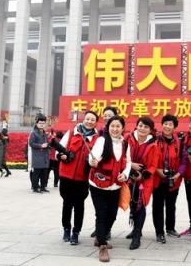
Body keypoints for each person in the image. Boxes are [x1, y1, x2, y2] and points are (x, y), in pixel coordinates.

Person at [88, 115, 131, 262]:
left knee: (112, 215)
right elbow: (92, 157)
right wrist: (92, 162)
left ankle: (100, 238)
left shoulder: (125, 144)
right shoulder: (101, 140)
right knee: (101, 214)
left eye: (118, 126)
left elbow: (128, 163)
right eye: (112, 126)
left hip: (114, 186)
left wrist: (125, 175)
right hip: (98, 185)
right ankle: (102, 246)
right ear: (108, 127)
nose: (115, 129)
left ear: (122, 128)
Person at [58, 111, 100, 245]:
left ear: (96, 122)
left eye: (92, 120)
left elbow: (99, 157)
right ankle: (66, 228)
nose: (89, 121)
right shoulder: (71, 133)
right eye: (87, 119)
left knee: (79, 206)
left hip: (83, 178)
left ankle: (76, 232)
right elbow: (59, 150)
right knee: (67, 204)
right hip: (66, 175)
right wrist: (62, 156)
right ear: (84, 119)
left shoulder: (97, 139)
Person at [125, 116, 159, 250]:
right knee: (131, 203)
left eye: (146, 127)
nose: (142, 129)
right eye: (140, 125)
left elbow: (153, 165)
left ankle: (137, 235)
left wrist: (142, 175)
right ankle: (134, 229)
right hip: (127, 176)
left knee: (141, 205)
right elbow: (121, 155)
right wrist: (130, 165)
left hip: (144, 180)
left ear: (150, 130)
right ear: (136, 126)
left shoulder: (153, 144)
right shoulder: (128, 138)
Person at [152, 114, 185, 244]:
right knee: (158, 206)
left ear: (175, 127)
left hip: (173, 180)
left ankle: (170, 228)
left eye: (170, 124)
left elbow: (184, 161)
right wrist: (157, 170)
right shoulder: (154, 139)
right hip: (158, 179)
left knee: (171, 205)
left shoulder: (180, 142)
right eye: (165, 123)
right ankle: (159, 232)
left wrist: (178, 174)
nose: (167, 126)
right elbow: (150, 157)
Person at [90, 106, 118, 240]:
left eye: (110, 115)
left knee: (111, 211)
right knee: (101, 210)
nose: (106, 117)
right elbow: (93, 154)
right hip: (98, 176)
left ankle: (105, 230)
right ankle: (101, 234)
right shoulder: (99, 134)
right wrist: (92, 161)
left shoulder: (121, 138)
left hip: (114, 179)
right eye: (105, 115)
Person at [29, 115, 50, 193]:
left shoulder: (45, 133)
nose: (42, 124)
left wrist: (49, 145)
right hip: (37, 156)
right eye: (40, 123)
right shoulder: (33, 133)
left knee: (44, 174)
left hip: (45, 156)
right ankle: (35, 187)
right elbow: (31, 143)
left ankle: (43, 187)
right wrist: (41, 145)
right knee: (36, 174)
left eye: (43, 123)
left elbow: (47, 143)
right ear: (37, 123)